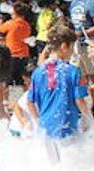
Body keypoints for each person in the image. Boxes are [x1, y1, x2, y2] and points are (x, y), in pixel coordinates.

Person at [22, 26, 89, 156]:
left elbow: (30, 102)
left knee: (53, 166)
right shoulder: (73, 71)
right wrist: (88, 118)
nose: (73, 52)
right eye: (72, 47)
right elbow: (79, 100)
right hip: (67, 125)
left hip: (46, 127)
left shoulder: (38, 72)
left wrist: (38, 123)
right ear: (64, 46)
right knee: (73, 165)